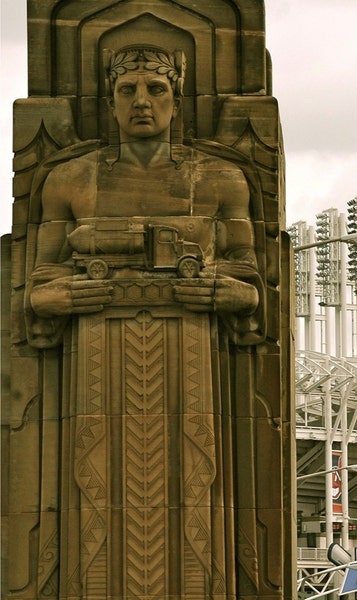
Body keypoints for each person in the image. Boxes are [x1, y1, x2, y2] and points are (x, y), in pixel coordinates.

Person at [22, 45, 267, 599]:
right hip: (94, 365)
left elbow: (250, 286)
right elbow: (37, 289)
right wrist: (65, 295)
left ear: (176, 101)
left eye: (155, 90)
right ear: (109, 102)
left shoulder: (222, 180)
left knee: (196, 488)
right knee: (93, 490)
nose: (141, 102)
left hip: (194, 365)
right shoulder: (68, 180)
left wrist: (225, 291)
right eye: (127, 90)